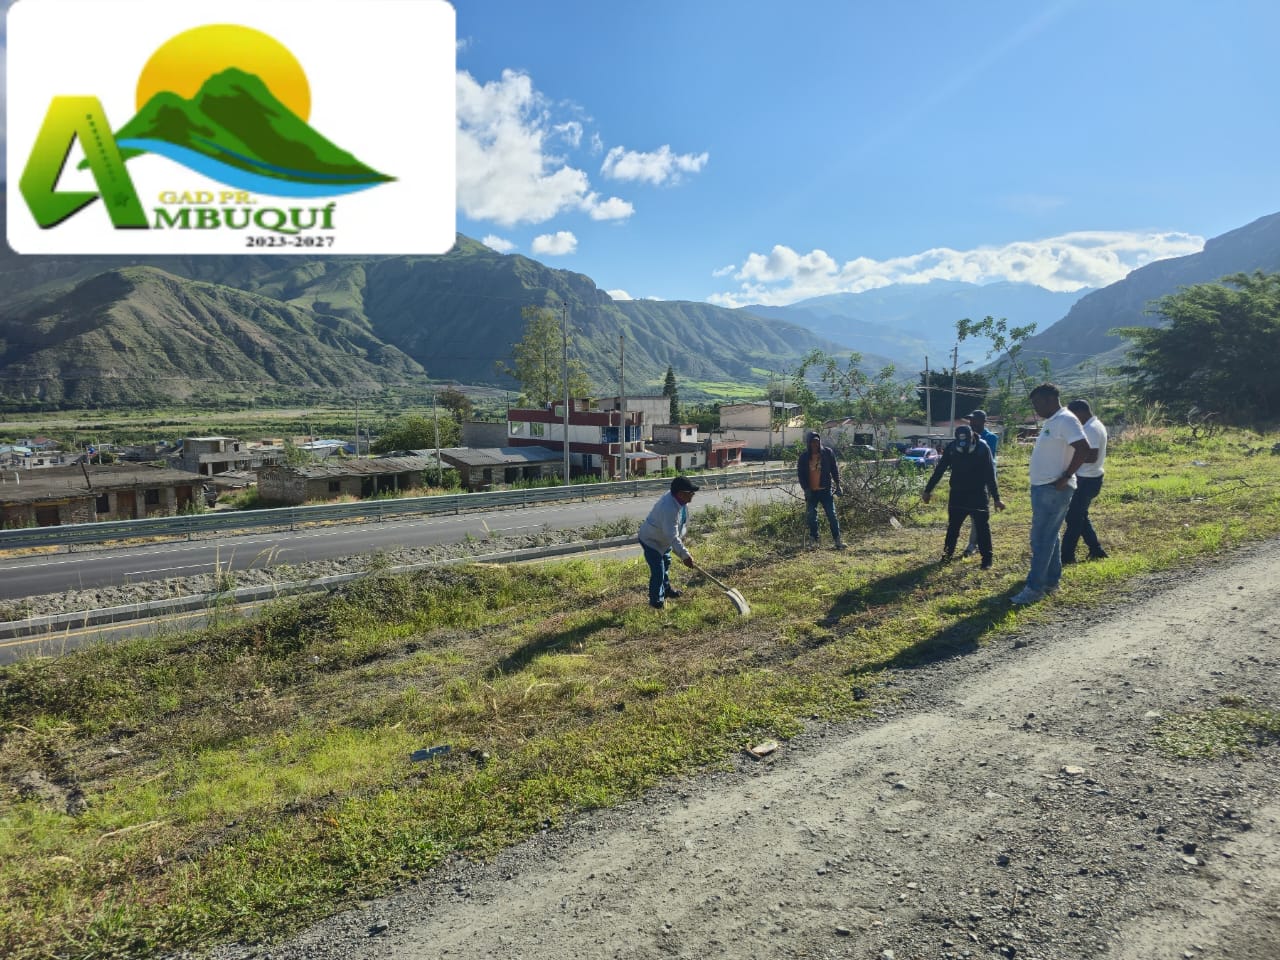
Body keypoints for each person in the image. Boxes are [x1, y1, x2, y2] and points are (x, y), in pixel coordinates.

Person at [1012, 383, 1091, 605]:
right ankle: (1051, 582)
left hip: (1054, 488)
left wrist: (1066, 476)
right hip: (1044, 487)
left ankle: (1034, 588)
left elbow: (1084, 448)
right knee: (1050, 536)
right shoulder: (1053, 421)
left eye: (1037, 403)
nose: (1035, 408)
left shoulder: (1066, 420)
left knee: (1040, 539)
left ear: (1049, 400)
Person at [922, 424, 1005, 569]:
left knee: (982, 528)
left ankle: (987, 560)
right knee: (953, 528)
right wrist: (928, 490)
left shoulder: (982, 448)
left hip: (978, 494)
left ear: (972, 437)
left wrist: (997, 499)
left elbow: (990, 474)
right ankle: (947, 557)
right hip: (957, 494)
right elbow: (940, 469)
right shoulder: (952, 448)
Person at [637, 475, 699, 609]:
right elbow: (672, 535)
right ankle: (655, 601)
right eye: (691, 492)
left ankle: (666, 590)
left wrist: (683, 549)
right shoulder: (669, 508)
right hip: (651, 540)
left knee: (666, 563)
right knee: (658, 571)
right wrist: (685, 556)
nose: (693, 495)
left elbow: (679, 526)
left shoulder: (680, 501)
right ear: (681, 494)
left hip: (663, 540)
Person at [1061, 399, 1108, 564]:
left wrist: (1070, 460)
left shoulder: (1091, 429)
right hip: (1089, 478)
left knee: (1073, 519)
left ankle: (1067, 556)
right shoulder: (1093, 425)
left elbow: (1092, 456)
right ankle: (1096, 550)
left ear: (1081, 412)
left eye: (1073, 416)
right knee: (1080, 516)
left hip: (1087, 480)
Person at [796, 430, 845, 549]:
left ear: (819, 442)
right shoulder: (803, 457)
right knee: (811, 516)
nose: (815, 444)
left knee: (832, 515)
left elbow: (834, 470)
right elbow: (801, 475)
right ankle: (814, 539)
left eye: (817, 441)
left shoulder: (827, 453)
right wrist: (806, 489)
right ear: (808, 443)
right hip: (811, 492)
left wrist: (838, 485)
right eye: (812, 442)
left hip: (825, 490)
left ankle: (837, 540)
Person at [961, 409, 1000, 557]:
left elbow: (983, 458)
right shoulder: (966, 436)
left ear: (983, 421)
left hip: (984, 481)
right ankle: (976, 541)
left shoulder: (990, 438)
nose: (971, 423)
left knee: (978, 513)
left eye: (975, 420)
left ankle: (973, 544)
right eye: (970, 420)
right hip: (967, 480)